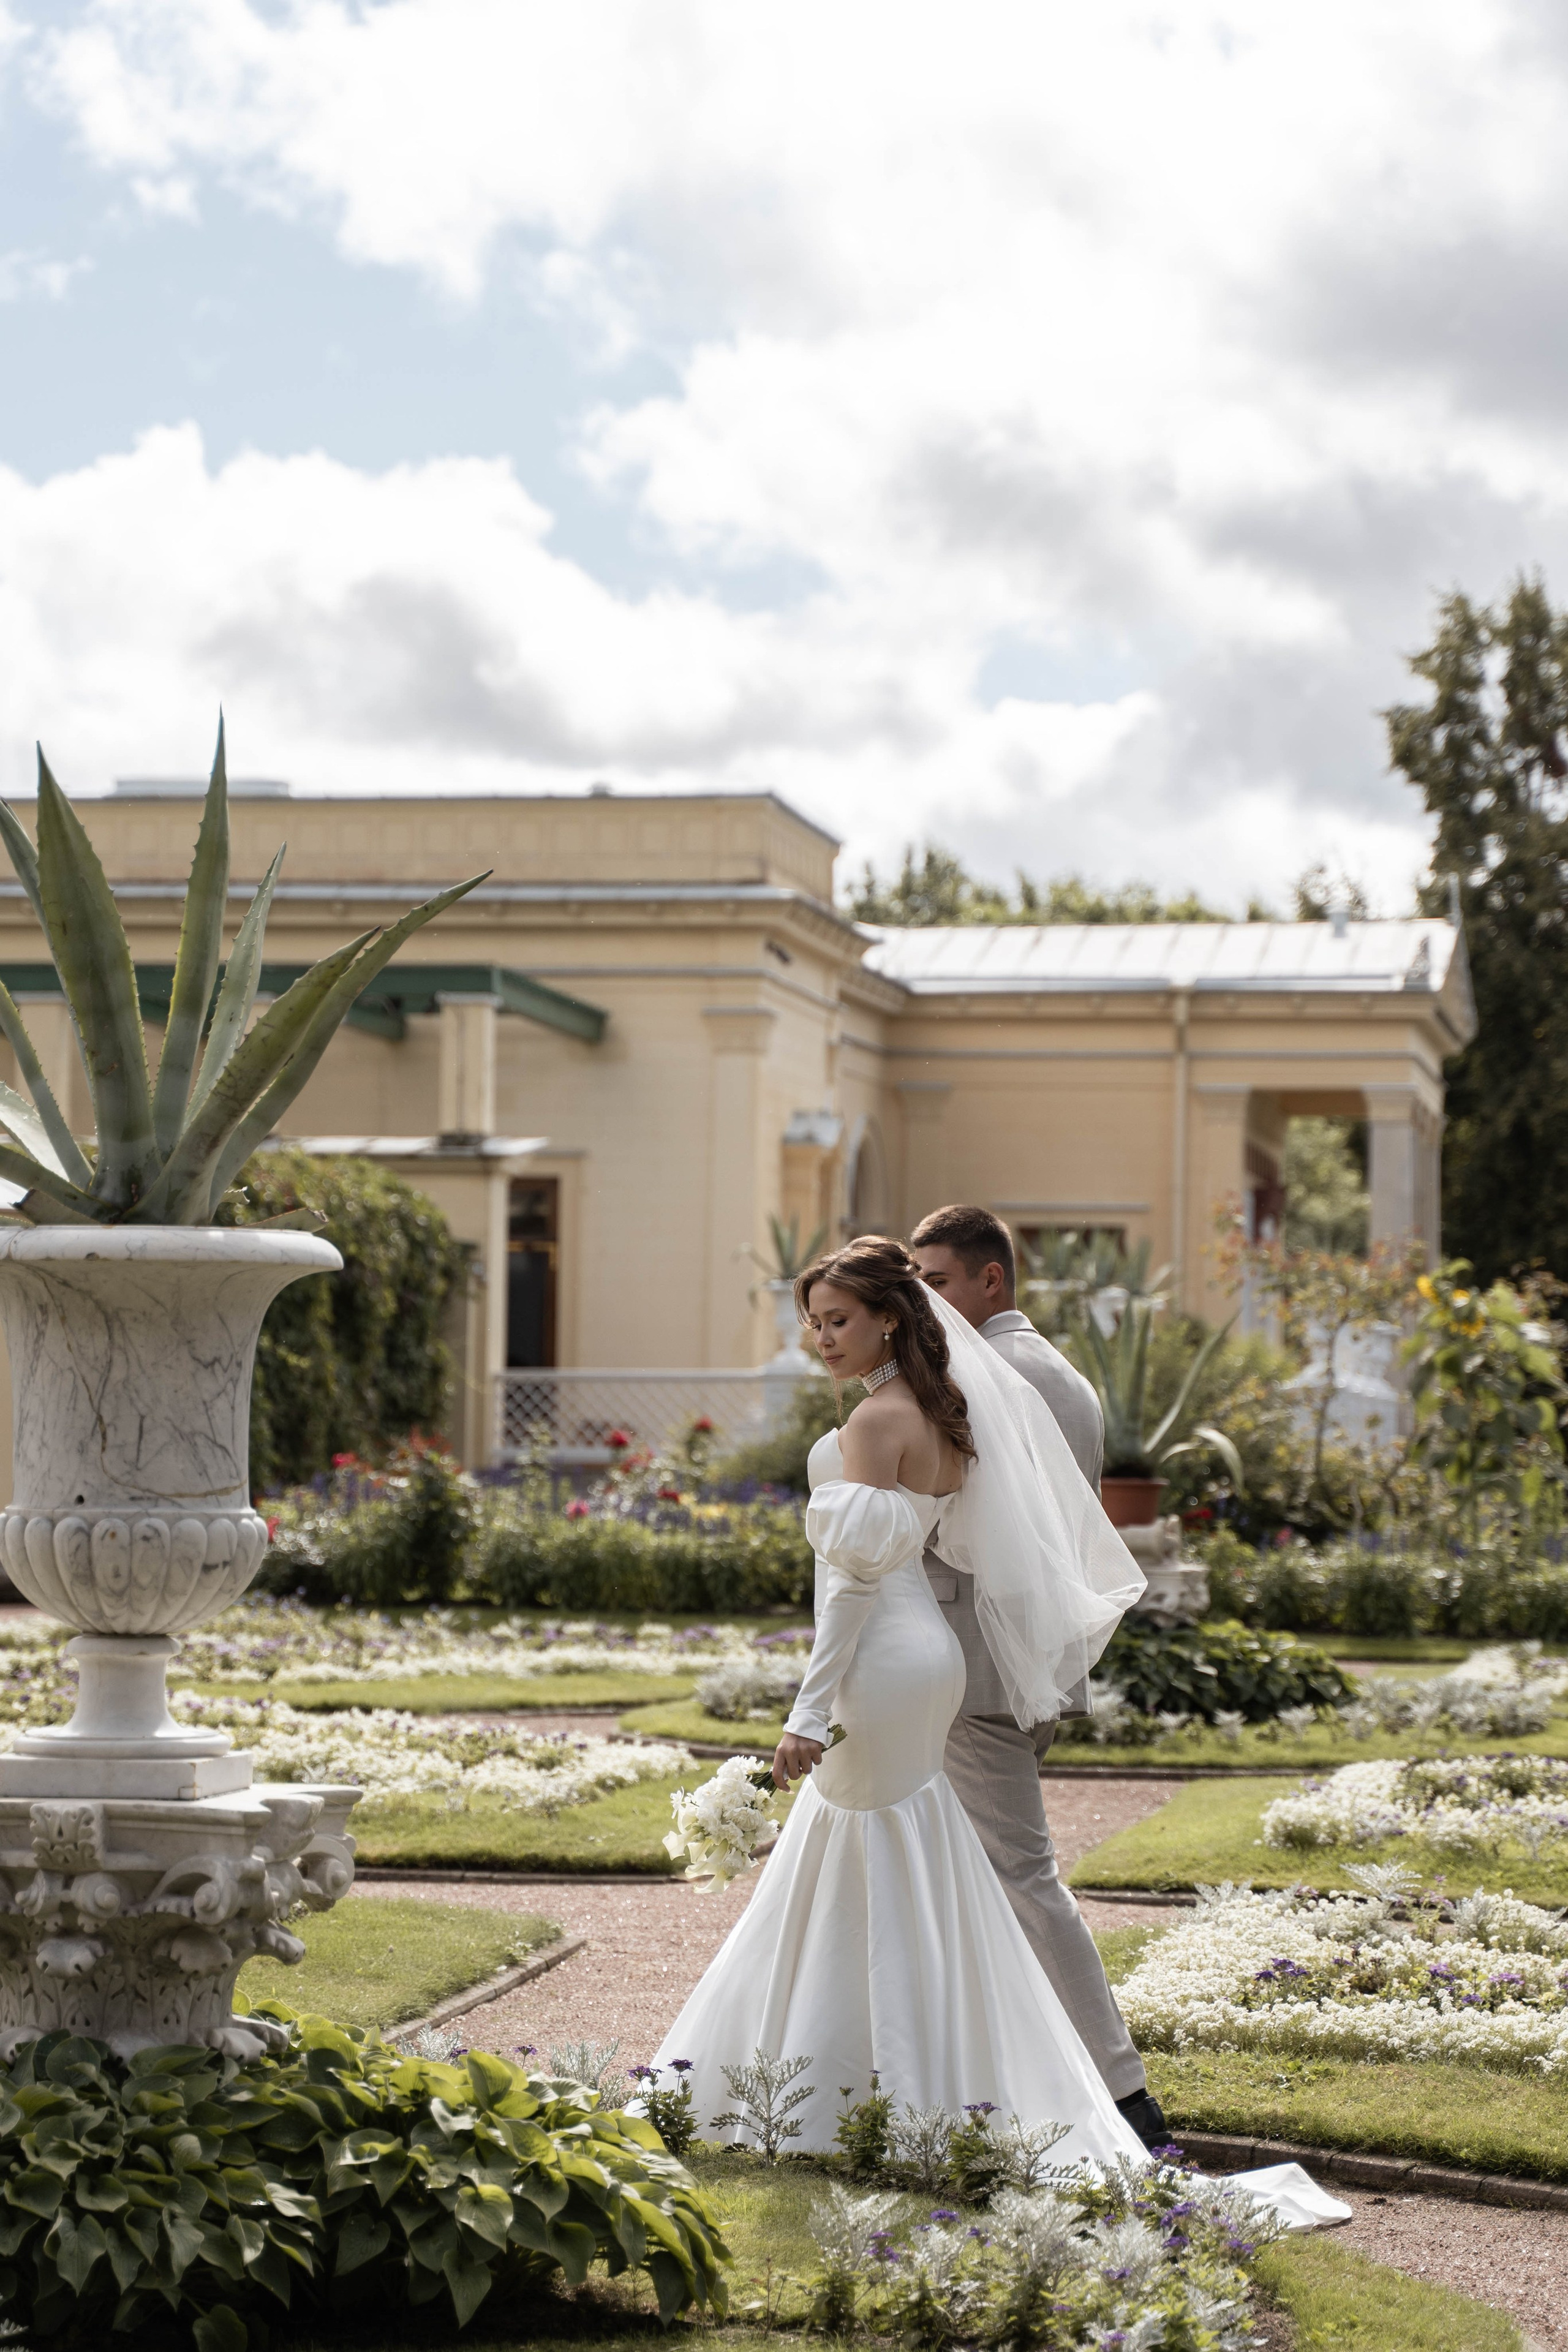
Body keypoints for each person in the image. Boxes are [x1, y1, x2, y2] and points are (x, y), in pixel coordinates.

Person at [649, 1237, 1147, 2167]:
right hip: (928, 1659)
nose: (822, 1338)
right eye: (814, 1322)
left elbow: (850, 1589)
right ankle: (895, 2074)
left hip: (882, 1658)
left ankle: (835, 2085)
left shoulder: (878, 1424)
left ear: (887, 1316)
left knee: (866, 1844)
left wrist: (806, 1711)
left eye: (838, 1320)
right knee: (904, 1853)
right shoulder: (936, 1411)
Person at [910, 1203, 1168, 2149]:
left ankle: (1124, 2094)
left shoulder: (998, 1377)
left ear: (992, 1280)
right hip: (1013, 1664)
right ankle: (1013, 2086)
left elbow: (973, 1531)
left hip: (974, 1670)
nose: (921, 1301)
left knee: (1021, 1878)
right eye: (915, 1283)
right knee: (961, 1883)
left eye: (936, 1282)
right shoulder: (1053, 1371)